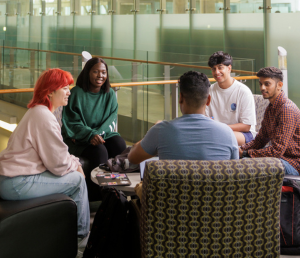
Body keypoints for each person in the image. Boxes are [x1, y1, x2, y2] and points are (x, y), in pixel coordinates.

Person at [0, 68, 90, 242]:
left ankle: (65, 234)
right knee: (78, 181)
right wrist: (77, 166)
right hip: (18, 182)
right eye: (64, 88)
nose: (69, 92)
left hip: (11, 179)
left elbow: (59, 153)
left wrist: (75, 163)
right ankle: (81, 241)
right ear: (50, 92)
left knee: (74, 175)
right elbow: (58, 164)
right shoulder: (44, 116)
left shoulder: (39, 112)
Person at [128, 71, 239, 164]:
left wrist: (153, 131)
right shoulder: (227, 133)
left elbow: (132, 158)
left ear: (180, 98)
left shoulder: (161, 130)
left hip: (173, 190)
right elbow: (235, 172)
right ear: (209, 100)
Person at [62, 57, 126, 200]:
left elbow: (111, 120)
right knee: (99, 151)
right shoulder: (76, 93)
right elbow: (72, 123)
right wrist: (90, 135)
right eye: (95, 72)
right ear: (87, 73)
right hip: (79, 137)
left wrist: (96, 134)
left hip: (102, 134)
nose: (100, 76)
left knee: (119, 143)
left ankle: (118, 191)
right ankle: (96, 196)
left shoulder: (109, 94)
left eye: (103, 72)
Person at [240, 66, 300, 175]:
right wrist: (240, 150)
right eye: (261, 84)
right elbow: (260, 140)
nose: (262, 88)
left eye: (267, 84)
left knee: (245, 164)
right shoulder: (271, 108)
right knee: (238, 160)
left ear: (279, 85)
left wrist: (246, 153)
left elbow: (277, 151)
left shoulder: (287, 110)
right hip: (279, 159)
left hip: (292, 164)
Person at [206, 51, 256, 145]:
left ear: (229, 68)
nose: (217, 72)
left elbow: (246, 126)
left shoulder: (243, 91)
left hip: (243, 134)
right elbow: (206, 119)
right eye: (213, 69)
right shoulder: (209, 91)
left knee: (221, 137)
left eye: (220, 67)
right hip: (216, 132)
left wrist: (221, 128)